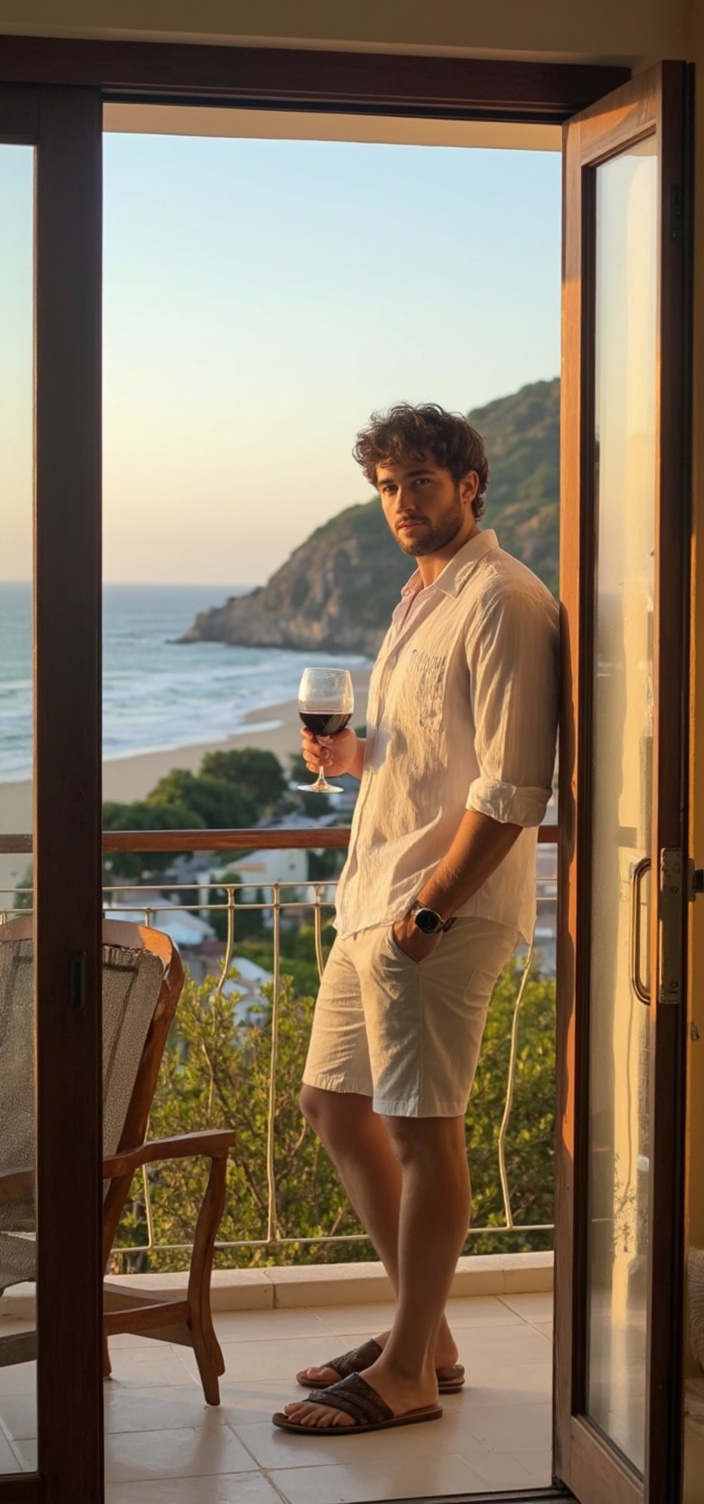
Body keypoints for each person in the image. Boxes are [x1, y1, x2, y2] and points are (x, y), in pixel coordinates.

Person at [273, 402, 559, 1436]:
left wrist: (429, 909)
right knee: (330, 1106)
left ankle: (406, 1374)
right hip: (372, 899)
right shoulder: (417, 595)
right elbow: (423, 747)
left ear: (469, 481)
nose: (401, 502)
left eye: (420, 483)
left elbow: (513, 783)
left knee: (420, 1127)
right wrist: (355, 757)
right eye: (386, 487)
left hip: (433, 912)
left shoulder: (504, 599)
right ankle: (424, 1333)